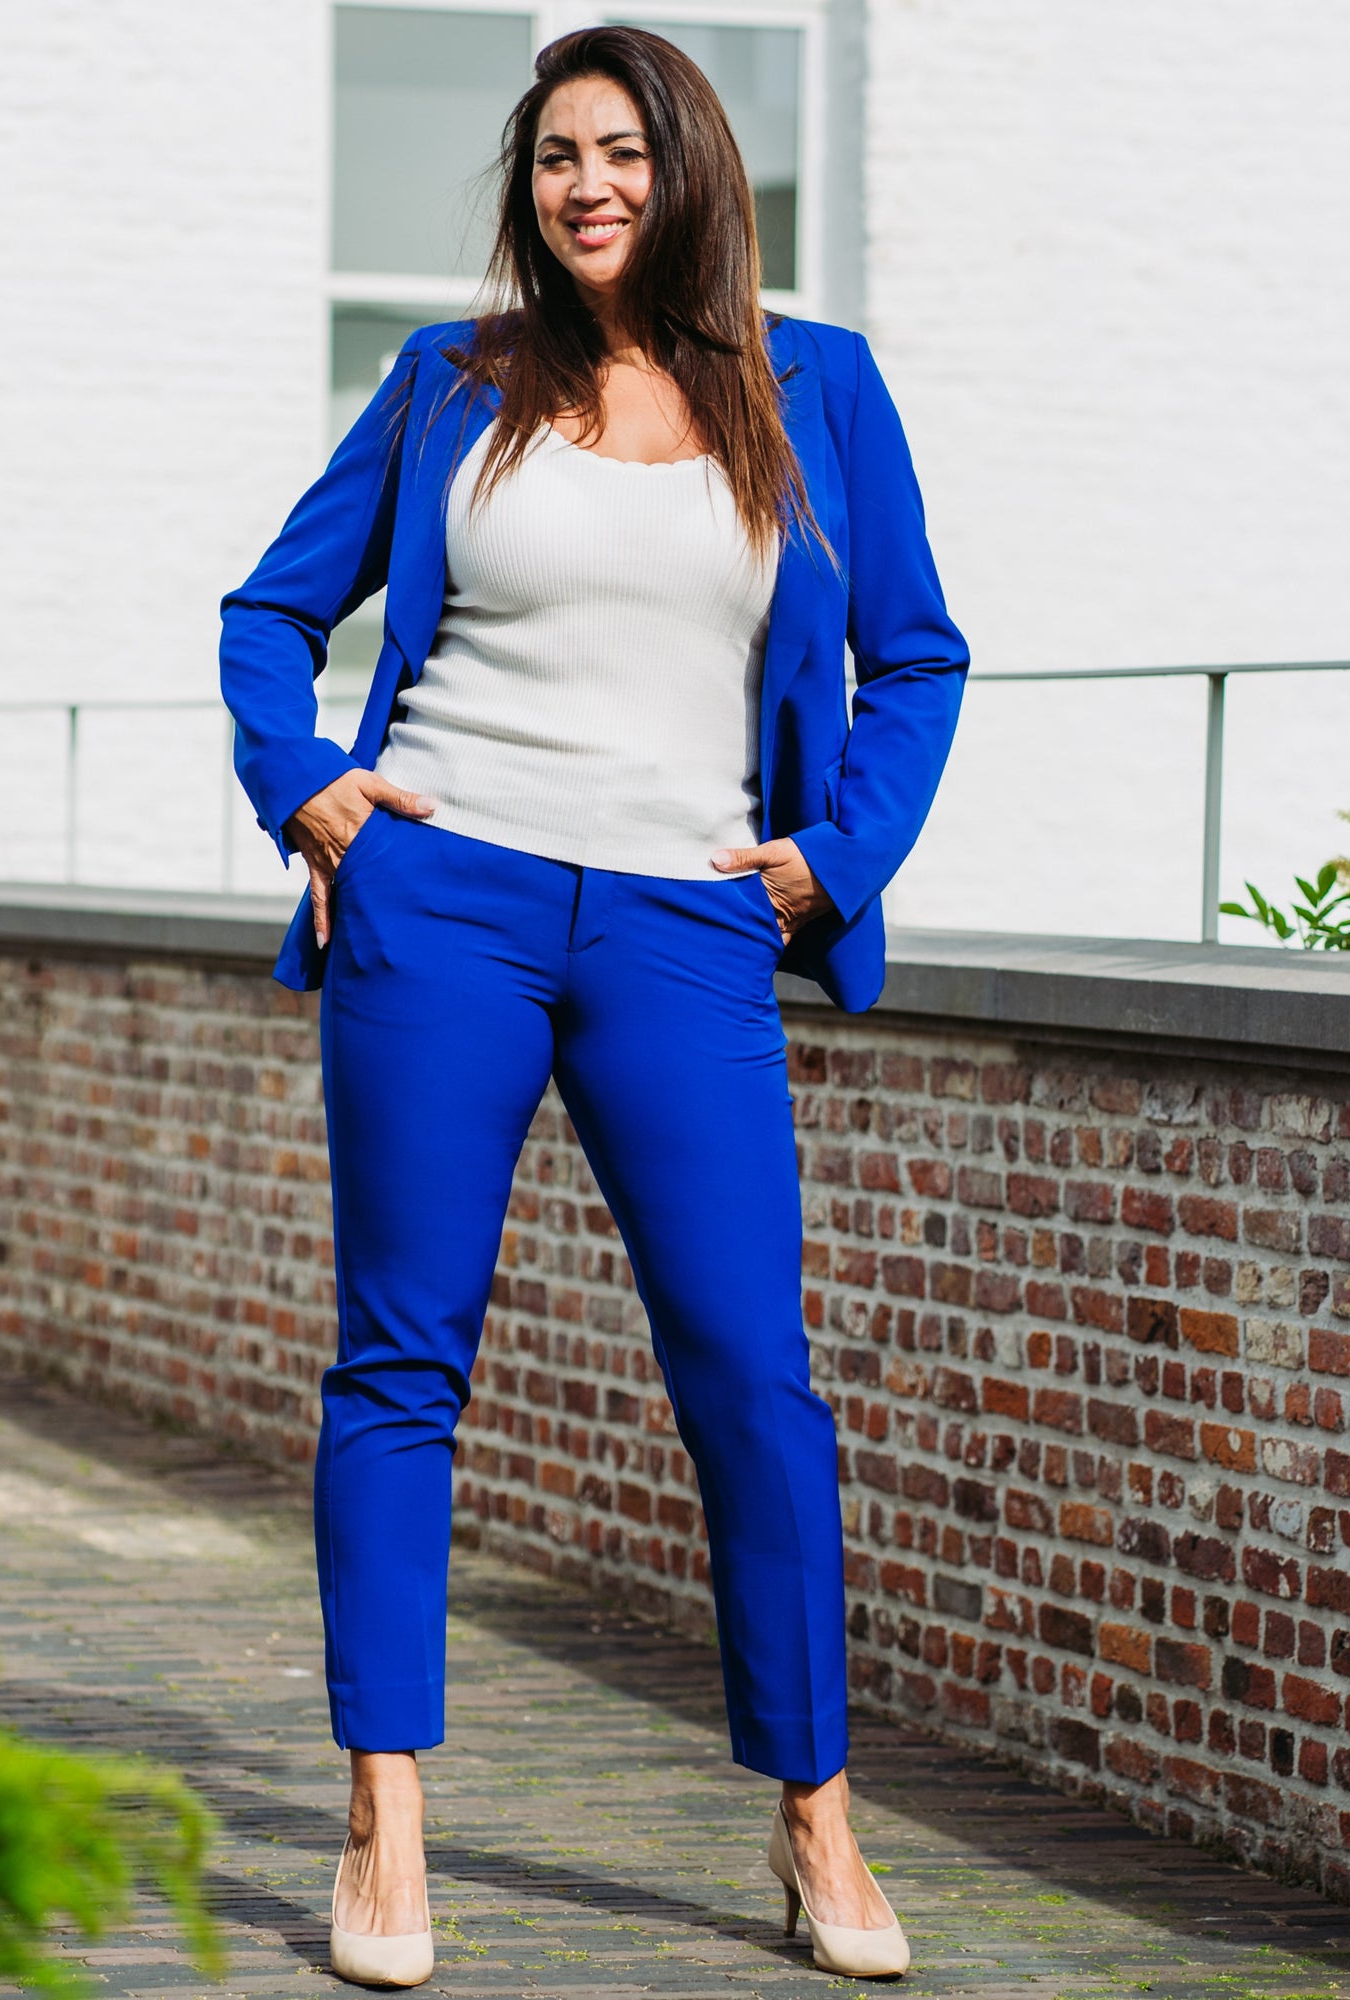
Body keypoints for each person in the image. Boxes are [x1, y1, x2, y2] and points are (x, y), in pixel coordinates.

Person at [220, 24, 967, 1987]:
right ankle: (384, 1815)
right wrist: (305, 783)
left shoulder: (816, 387)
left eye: (620, 150)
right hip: (441, 896)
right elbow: (271, 610)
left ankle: (814, 1810)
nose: (586, 186)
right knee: (402, 1360)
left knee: (751, 1371)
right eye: (556, 156)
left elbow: (916, 655)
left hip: (686, 924)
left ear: (687, 166)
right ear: (526, 187)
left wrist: (835, 858)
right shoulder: (448, 382)